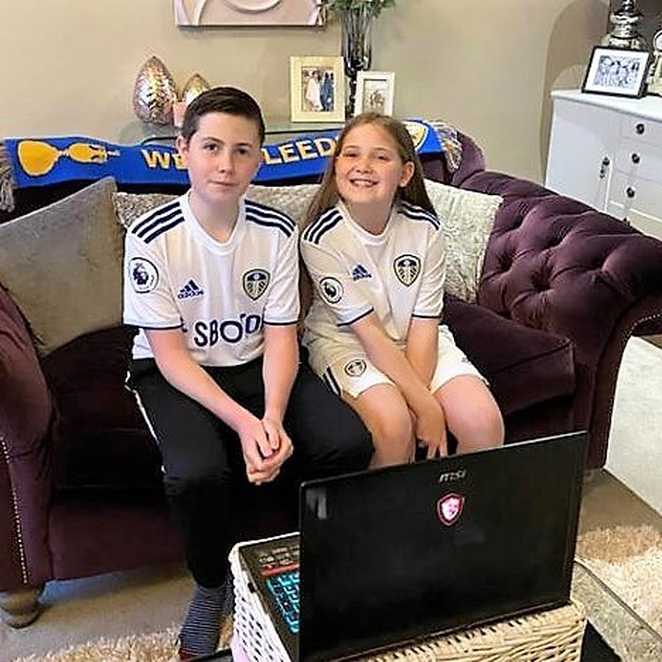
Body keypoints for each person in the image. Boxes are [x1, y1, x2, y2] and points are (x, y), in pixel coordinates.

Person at [123, 87, 372, 659]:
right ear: (182, 150)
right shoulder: (151, 237)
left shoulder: (277, 231)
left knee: (347, 442)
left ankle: (303, 561)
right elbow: (169, 355)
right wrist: (245, 424)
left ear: (259, 159)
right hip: (176, 372)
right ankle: (212, 586)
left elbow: (283, 337)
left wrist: (274, 417)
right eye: (211, 147)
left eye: (242, 151)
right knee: (196, 475)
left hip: (261, 362)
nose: (226, 164)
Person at [300, 113, 504, 469]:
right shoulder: (320, 238)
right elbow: (371, 336)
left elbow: (424, 324)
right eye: (351, 155)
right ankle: (382, 523)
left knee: (484, 424)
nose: (363, 166)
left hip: (416, 339)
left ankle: (455, 519)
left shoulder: (424, 227)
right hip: (349, 342)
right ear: (336, 166)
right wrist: (424, 407)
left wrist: (419, 399)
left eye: (380, 157)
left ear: (405, 173)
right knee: (395, 427)